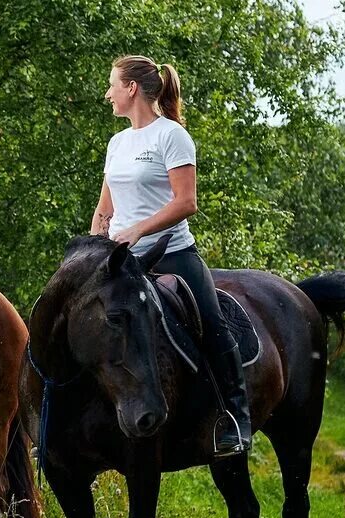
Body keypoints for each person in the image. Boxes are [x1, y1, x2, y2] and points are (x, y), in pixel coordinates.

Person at [91, 55, 251, 457]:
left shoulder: (172, 136)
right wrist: (95, 247)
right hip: (122, 259)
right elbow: (104, 209)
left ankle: (235, 417)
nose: (107, 93)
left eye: (112, 84)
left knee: (213, 324)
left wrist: (140, 230)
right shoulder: (117, 143)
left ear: (131, 89)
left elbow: (187, 202)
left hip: (172, 254)